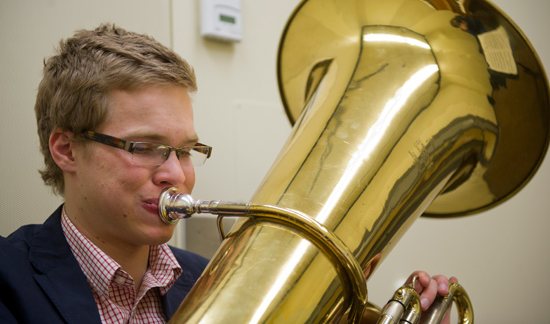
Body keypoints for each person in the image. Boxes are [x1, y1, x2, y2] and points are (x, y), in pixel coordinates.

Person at [0, 24, 455, 323]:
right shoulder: (9, 277)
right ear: (66, 150)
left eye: (186, 150)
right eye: (145, 148)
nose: (176, 174)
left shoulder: (213, 280)